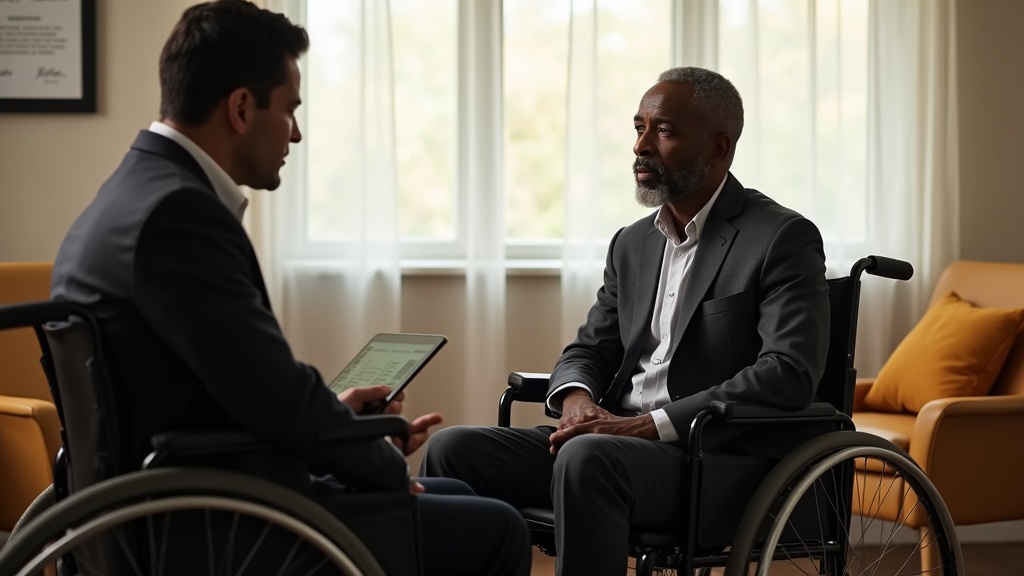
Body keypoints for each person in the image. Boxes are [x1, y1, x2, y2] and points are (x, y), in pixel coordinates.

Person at [50, 1, 530, 575]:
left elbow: (243, 386)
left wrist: (340, 423)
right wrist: (374, 462)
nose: (296, 134)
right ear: (241, 108)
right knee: (497, 527)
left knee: (462, 498)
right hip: (212, 522)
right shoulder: (178, 215)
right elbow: (273, 397)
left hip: (177, 493)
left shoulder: (126, 197)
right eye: (290, 110)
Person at [420, 66, 830, 575]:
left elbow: (788, 371)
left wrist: (647, 426)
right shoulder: (633, 243)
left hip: (712, 458)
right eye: (639, 127)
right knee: (454, 448)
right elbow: (588, 349)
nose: (640, 146)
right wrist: (576, 401)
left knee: (587, 457)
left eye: (664, 131)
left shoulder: (779, 237)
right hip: (609, 441)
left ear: (719, 148)